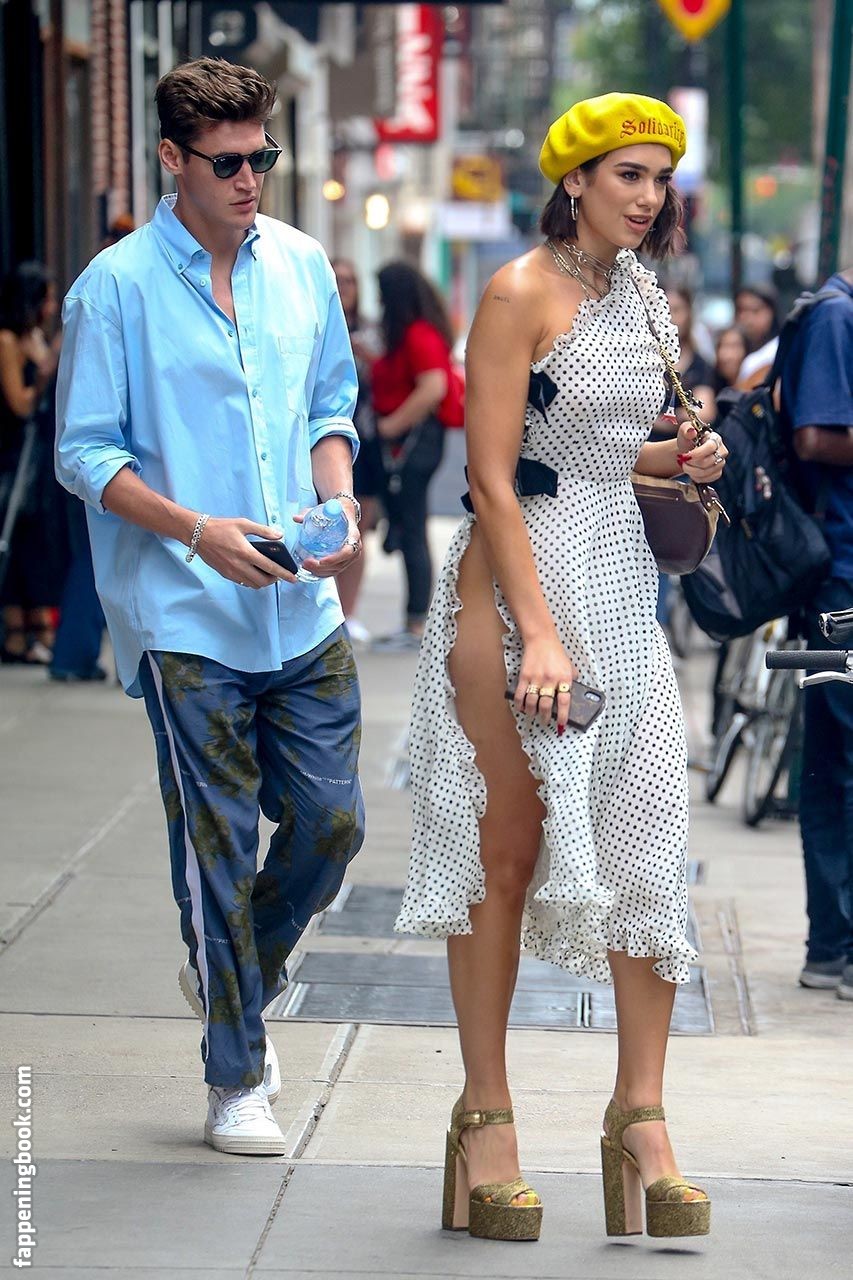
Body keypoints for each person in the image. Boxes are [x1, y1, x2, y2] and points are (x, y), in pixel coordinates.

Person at [395, 92, 727, 1242]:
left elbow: (597, 451)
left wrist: (677, 456)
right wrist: (537, 631)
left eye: (659, 177)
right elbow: (491, 476)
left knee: (647, 839)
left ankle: (641, 1115)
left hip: (619, 578)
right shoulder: (515, 291)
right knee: (502, 849)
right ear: (574, 179)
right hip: (512, 584)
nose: (647, 195)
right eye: (627, 173)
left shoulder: (644, 296)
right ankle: (484, 1115)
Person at [55, 57, 365, 1155]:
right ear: (171, 158)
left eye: (260, 158)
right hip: (185, 611)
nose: (248, 180)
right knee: (218, 847)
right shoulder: (114, 288)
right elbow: (85, 454)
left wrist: (338, 497)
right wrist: (197, 531)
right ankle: (236, 1074)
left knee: (333, 824)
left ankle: (240, 968)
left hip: (302, 607)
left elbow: (330, 402)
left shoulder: (303, 265)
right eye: (226, 162)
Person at [779, 267, 853, 998]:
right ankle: (836, 947)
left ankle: (832, 946)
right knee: (835, 762)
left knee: (831, 761)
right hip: (842, 580)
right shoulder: (837, 317)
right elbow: (814, 438)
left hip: (838, 579)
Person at [369, 260, 463, 650]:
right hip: (416, 441)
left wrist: (391, 426)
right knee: (408, 525)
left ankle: (417, 621)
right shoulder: (415, 333)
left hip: (415, 442)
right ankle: (415, 619)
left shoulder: (418, 334)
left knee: (412, 527)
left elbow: (433, 387)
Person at [0, 262, 64, 664]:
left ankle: (38, 626)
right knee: (18, 536)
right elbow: (20, 403)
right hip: (13, 454)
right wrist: (42, 375)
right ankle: (16, 631)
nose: (52, 306)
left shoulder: (36, 337)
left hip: (39, 454)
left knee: (38, 539)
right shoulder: (7, 341)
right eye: (47, 298)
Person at [331, 257, 384, 644]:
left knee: (356, 528)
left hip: (364, 437)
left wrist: (368, 357)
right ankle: (329, 612)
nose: (344, 286)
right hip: (324, 438)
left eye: (350, 280)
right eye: (337, 279)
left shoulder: (370, 330)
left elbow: (389, 376)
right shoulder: (314, 320)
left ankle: (349, 611)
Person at [664, 287, 716, 427]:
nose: (669, 318)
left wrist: (659, 419)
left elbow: (704, 412)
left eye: (676, 310)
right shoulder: (642, 360)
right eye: (664, 310)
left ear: (688, 313)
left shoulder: (700, 365)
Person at [734, 282, 780, 389]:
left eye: (755, 311)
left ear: (772, 312)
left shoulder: (776, 352)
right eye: (741, 310)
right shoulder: (731, 350)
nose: (746, 318)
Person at [712, 322, 749, 393]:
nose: (726, 355)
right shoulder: (711, 385)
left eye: (734, 346)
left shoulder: (756, 386)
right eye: (722, 346)